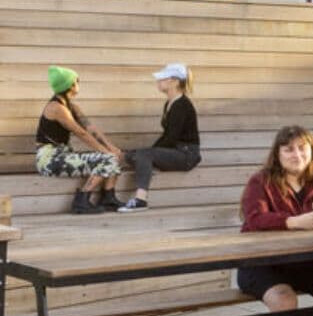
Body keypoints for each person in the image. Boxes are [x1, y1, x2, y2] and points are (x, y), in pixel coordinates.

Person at [238, 126, 313, 316]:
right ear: (277, 154)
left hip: (303, 261)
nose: (297, 154)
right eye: (288, 149)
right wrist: (293, 222)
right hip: (259, 263)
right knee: (285, 301)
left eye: (302, 148)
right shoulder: (261, 181)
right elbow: (254, 219)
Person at [35, 66, 123, 214]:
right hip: (49, 160)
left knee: (114, 155)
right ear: (70, 84)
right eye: (77, 81)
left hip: (63, 155)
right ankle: (81, 200)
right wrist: (105, 152)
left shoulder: (72, 107)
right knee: (108, 159)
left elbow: (91, 129)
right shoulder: (56, 108)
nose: (79, 83)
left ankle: (109, 198)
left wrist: (111, 147)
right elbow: (80, 133)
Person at [119, 62, 202, 211]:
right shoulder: (169, 103)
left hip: (186, 154)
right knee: (133, 155)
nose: (158, 82)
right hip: (175, 150)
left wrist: (150, 154)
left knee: (143, 155)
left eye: (163, 79)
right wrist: (148, 153)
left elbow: (171, 137)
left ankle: (140, 200)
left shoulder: (182, 105)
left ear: (174, 82)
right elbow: (167, 136)